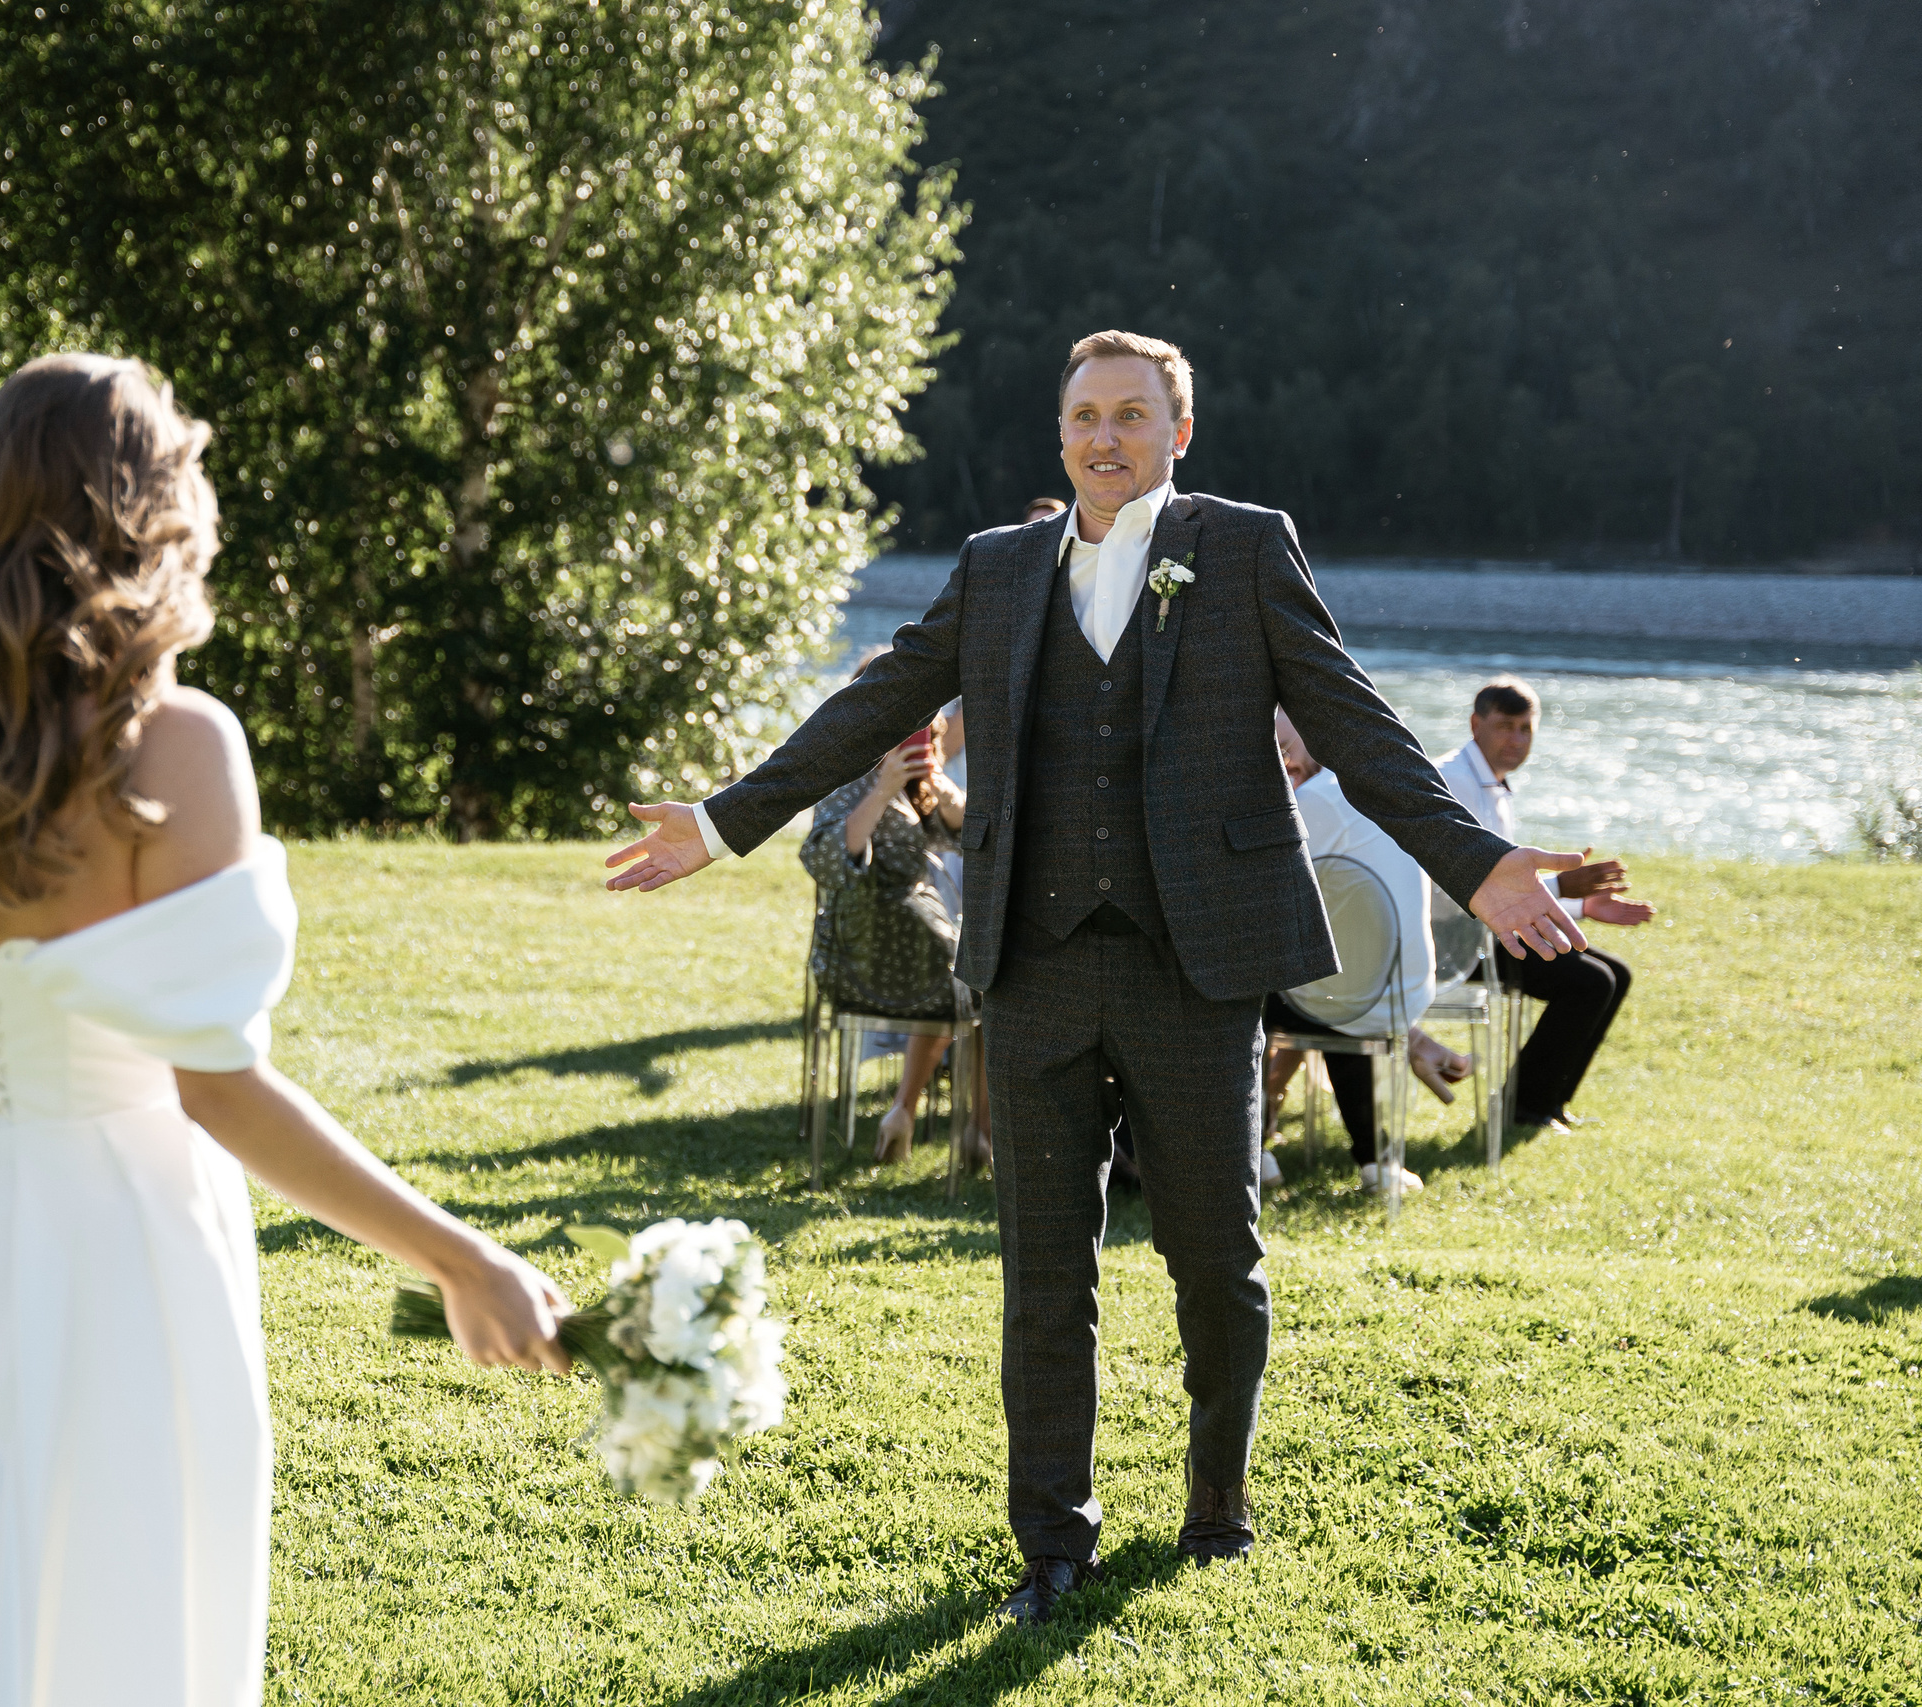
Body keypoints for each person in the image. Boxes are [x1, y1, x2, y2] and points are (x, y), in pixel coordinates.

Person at [0, 356, 571, 1707]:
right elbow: (218, 1090)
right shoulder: (174, 745)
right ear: (146, 509)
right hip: (125, 1238)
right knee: (102, 1608)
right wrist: (458, 1253)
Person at [606, 329, 1586, 1619]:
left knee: (1217, 1261)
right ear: (1059, 435)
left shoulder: (1241, 547)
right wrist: (728, 819)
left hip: (1196, 970)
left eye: (1133, 414)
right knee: (1042, 1277)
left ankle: (1216, 1505)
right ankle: (1050, 1543)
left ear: (1181, 432)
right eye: (1084, 417)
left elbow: (1354, 722)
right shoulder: (997, 568)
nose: (1105, 437)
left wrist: (1479, 864)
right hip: (1033, 972)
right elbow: (875, 701)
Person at [1264, 709, 1473, 1196]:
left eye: (1283, 745)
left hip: (1358, 995)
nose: (1280, 757)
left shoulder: (1320, 801)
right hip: (1406, 990)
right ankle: (1376, 1160)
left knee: (1232, 998)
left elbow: (1264, 892)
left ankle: (1251, 1153)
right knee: (1330, 986)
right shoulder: (1375, 785)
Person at [1436, 676, 1655, 1133]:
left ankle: (1549, 1101)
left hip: (1483, 927)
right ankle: (1524, 1107)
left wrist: (1581, 907)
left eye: (1526, 729)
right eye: (1504, 726)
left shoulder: (1489, 781)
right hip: (1448, 941)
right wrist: (1566, 888)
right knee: (1589, 983)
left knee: (1615, 974)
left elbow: (1505, 887)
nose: (1516, 740)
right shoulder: (1453, 781)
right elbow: (1464, 886)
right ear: (1476, 724)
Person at [801, 708, 985, 1167]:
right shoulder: (847, 782)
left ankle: (912, 1113)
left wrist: (942, 789)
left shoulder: (916, 790)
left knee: (974, 986)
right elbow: (825, 857)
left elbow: (971, 835)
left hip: (909, 960)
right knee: (986, 990)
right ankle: (976, 1135)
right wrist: (883, 789)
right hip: (861, 960)